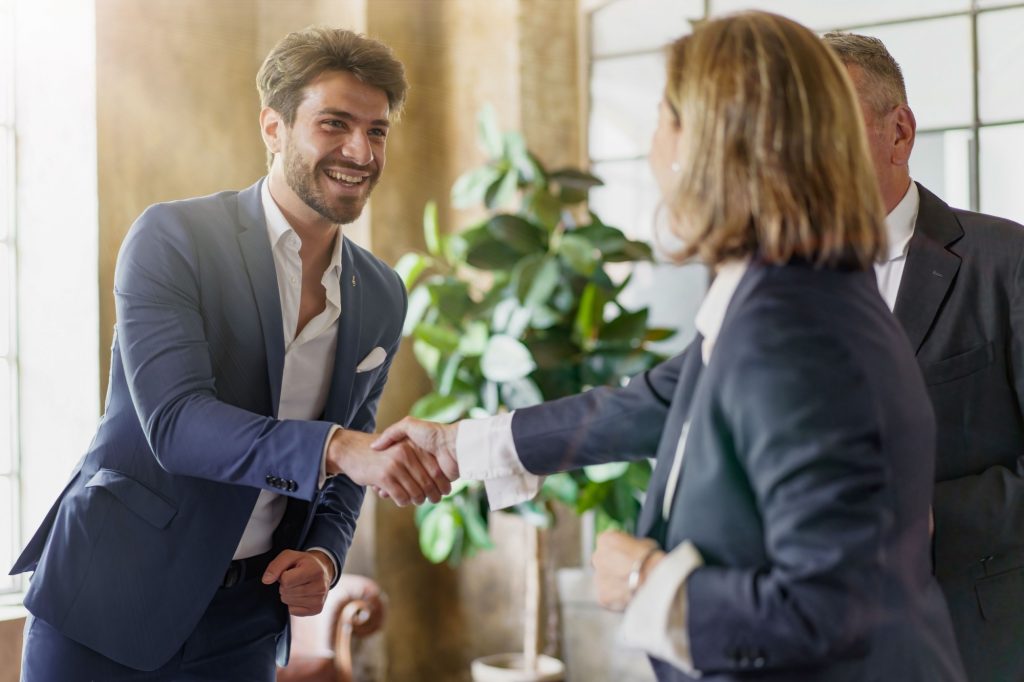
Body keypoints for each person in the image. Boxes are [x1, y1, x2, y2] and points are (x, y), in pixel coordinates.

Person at [375, 12, 967, 681]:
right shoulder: (777, 295)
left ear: (713, 144)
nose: (655, 145)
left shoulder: (793, 326)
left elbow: (827, 611)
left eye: (664, 115)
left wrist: (648, 582)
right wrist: (461, 448)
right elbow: (657, 402)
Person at [10, 27, 456, 681]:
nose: (360, 152)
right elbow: (177, 424)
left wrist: (327, 555)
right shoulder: (173, 239)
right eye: (334, 124)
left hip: (247, 621)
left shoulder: (383, 294)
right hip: (105, 601)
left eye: (377, 130)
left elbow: (352, 465)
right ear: (273, 128)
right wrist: (336, 448)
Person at [822, 31, 1024, 682]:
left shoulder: (1007, 262)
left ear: (899, 132)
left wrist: (928, 517)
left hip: (971, 641)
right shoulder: (774, 280)